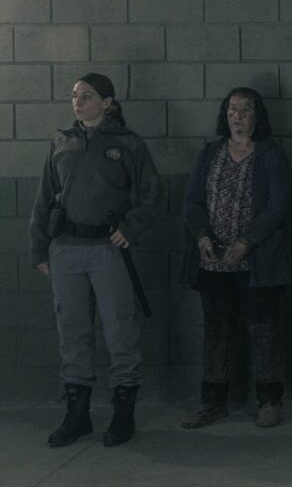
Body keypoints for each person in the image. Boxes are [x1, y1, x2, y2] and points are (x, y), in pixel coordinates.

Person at [29, 73, 163, 447]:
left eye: (87, 96)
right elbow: (44, 200)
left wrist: (131, 228)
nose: (78, 102)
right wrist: (40, 249)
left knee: (120, 329)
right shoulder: (61, 142)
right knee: (72, 332)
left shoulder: (127, 144)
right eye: (75, 96)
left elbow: (152, 196)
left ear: (107, 102)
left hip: (108, 249)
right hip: (66, 249)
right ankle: (77, 414)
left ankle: (123, 413)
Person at [180, 87, 292, 429]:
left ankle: (270, 400)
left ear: (257, 116)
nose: (238, 115)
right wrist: (201, 236)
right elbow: (192, 202)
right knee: (216, 331)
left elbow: (279, 206)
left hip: (258, 263)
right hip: (214, 263)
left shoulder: (271, 155)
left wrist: (247, 241)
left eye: (246, 109)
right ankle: (213, 402)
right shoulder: (210, 153)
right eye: (232, 109)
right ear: (224, 114)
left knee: (264, 331)